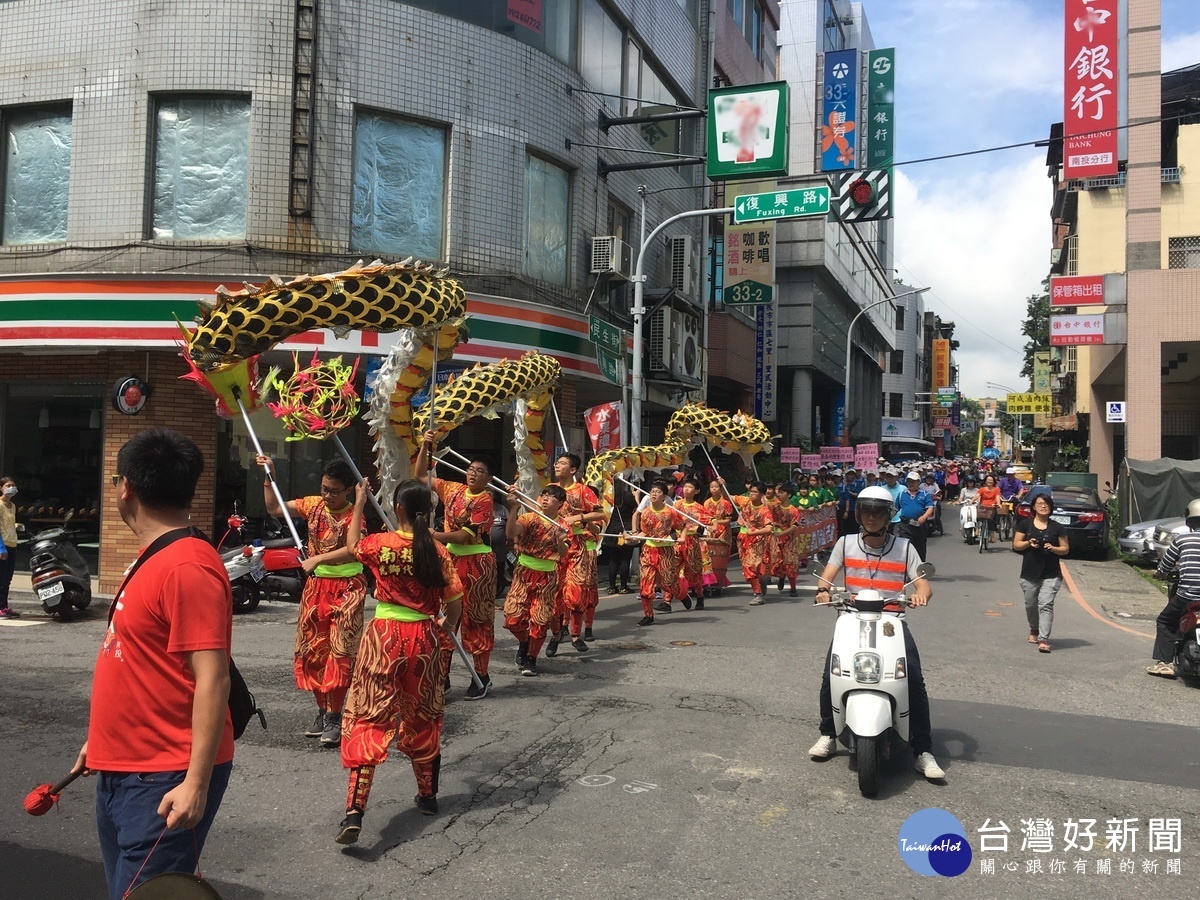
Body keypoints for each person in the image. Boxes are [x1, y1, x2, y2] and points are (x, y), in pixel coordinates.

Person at [75, 429, 234, 898]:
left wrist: (195, 783)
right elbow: (140, 663)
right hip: (123, 764)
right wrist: (100, 741)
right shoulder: (155, 556)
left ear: (126, 486)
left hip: (163, 775)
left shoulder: (187, 567)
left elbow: (214, 679)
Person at [336, 479, 463, 844]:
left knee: (368, 716)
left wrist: (359, 502)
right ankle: (427, 796)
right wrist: (448, 625)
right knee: (423, 715)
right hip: (423, 640)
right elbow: (455, 600)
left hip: (383, 638)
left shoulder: (380, 545)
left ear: (398, 509)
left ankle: (355, 810)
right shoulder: (437, 550)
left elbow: (350, 546)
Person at [807, 485, 945, 781]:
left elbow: (924, 584)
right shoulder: (845, 544)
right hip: (851, 618)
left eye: (878, 512)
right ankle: (828, 734)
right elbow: (827, 577)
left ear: (888, 515)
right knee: (831, 673)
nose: (871, 517)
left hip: (891, 620)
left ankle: (922, 750)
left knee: (914, 679)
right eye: (867, 511)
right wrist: (823, 591)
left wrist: (922, 595)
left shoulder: (905, 548)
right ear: (859, 514)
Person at [257, 454, 367, 747]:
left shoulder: (354, 514)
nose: (327, 495)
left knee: (340, 653)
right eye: (324, 488)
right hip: (317, 588)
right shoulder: (313, 505)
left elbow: (354, 549)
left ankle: (334, 715)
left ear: (348, 490)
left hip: (347, 589)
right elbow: (273, 508)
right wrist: (270, 475)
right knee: (315, 653)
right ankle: (322, 711)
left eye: (334, 491)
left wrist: (317, 557)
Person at [414, 433, 498, 701]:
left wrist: (434, 535)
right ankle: (443, 676)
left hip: (477, 565)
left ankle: (481, 676)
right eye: (471, 469)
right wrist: (425, 447)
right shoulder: (452, 489)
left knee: (476, 620)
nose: (473, 474)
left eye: (480, 471)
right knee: (444, 618)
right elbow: (420, 477)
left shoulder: (485, 499)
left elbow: (465, 535)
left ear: (488, 478)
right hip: (450, 562)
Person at [503, 484, 569, 675]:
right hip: (523, 573)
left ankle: (531, 658)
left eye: (551, 497)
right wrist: (514, 508)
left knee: (540, 620)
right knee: (513, 619)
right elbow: (511, 533)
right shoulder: (529, 517)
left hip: (547, 577)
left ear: (560, 504)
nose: (545, 499)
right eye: (543, 494)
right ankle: (524, 642)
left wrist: (559, 540)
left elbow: (564, 553)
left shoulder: (562, 525)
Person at [548, 454, 605, 652]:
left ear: (573, 470)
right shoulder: (550, 489)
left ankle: (575, 634)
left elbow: (600, 513)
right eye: (557, 462)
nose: (557, 465)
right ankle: (555, 635)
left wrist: (578, 518)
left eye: (562, 463)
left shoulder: (583, 490)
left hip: (578, 548)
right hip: (555, 549)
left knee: (576, 594)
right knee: (555, 595)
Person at [1147, 499, 1200, 678]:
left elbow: (1166, 566)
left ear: (1190, 521)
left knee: (1165, 621)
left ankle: (1165, 663)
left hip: (1187, 596)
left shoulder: (1182, 539)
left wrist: (1159, 573)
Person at [1012, 492, 1068, 653]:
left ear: (1051, 507)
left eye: (1046, 504)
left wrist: (1054, 548)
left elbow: (1065, 549)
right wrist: (1029, 543)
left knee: (1046, 604)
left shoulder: (1057, 527)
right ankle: (1034, 629)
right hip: (1029, 573)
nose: (1043, 506)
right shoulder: (1025, 525)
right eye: (1040, 503)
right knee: (1031, 604)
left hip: (1052, 573)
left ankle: (1043, 639)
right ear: (1034, 507)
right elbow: (1016, 545)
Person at [631, 479, 685, 624]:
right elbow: (644, 533)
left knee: (667, 583)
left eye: (658, 492)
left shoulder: (671, 512)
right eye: (652, 491)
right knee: (645, 585)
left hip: (665, 551)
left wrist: (681, 537)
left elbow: (683, 525)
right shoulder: (646, 513)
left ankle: (681, 594)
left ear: (664, 496)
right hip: (648, 551)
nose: (654, 494)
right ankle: (648, 615)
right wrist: (632, 537)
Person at [731, 481, 774, 606]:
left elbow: (769, 528)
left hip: (756, 541)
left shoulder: (764, 510)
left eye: (755, 492)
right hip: (742, 538)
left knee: (751, 566)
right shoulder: (744, 501)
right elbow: (728, 496)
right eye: (751, 491)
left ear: (761, 495)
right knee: (747, 566)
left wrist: (755, 532)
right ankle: (761, 580)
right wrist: (721, 485)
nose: (751, 494)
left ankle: (758, 594)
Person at [674, 479, 709, 608]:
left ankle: (700, 595)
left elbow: (711, 521)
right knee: (672, 571)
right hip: (677, 541)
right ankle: (669, 601)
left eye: (690, 487)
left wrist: (712, 526)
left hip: (691, 541)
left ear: (697, 491)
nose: (686, 489)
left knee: (694, 572)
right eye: (685, 486)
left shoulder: (699, 508)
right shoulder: (675, 505)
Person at [602, 479, 638, 595]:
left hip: (612, 529)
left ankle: (612, 586)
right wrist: (636, 497)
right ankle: (623, 586)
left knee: (613, 559)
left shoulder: (607, 498)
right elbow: (638, 510)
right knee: (625, 559)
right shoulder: (628, 497)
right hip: (626, 530)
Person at [703, 479, 735, 595]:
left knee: (721, 557)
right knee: (708, 557)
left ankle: (719, 580)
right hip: (711, 530)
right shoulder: (706, 503)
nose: (714, 489)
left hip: (723, 532)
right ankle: (708, 581)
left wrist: (716, 522)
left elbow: (728, 520)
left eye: (716, 487)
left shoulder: (726, 503)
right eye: (712, 487)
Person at [896, 472, 935, 561]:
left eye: (913, 481)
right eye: (909, 481)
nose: (911, 483)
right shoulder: (902, 494)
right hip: (905, 526)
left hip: (919, 526)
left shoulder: (924, 494)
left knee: (920, 549)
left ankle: (919, 568)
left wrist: (924, 516)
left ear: (918, 482)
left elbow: (930, 507)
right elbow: (895, 509)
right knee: (906, 547)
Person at [0, 475, 20, 618]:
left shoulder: (12, 506)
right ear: (1, 488)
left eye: (12, 485)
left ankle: (4, 606)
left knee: (7, 578)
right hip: (3, 545)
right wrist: (1, 547)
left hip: (12, 543)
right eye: (7, 485)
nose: (11, 488)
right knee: (1, 578)